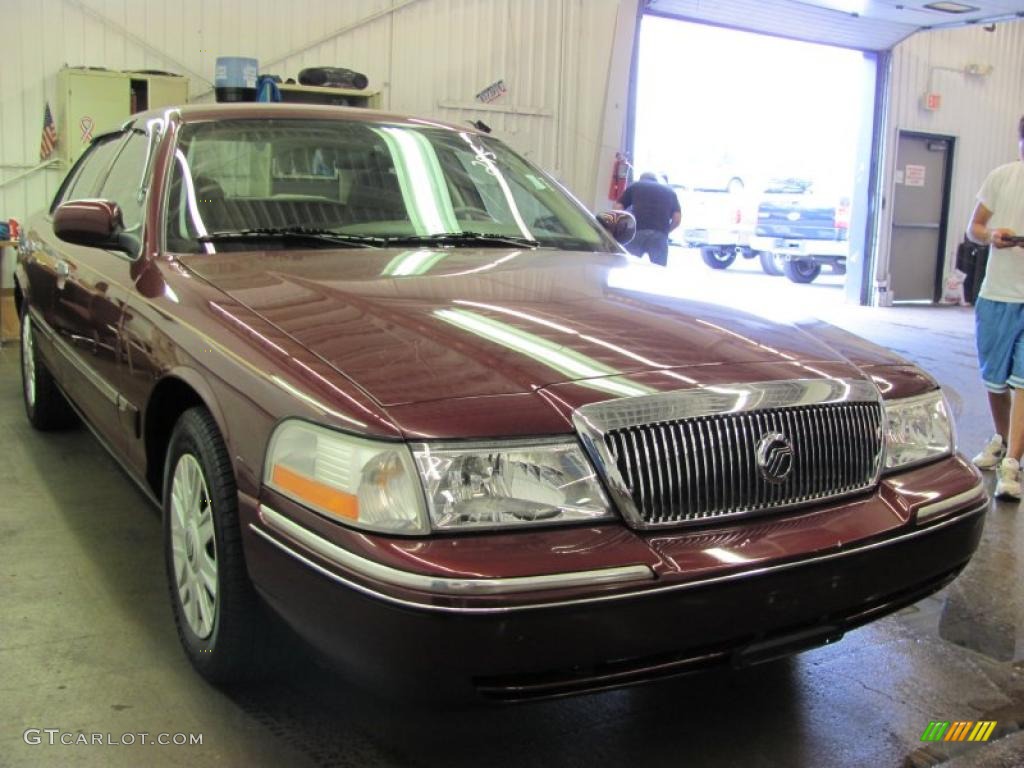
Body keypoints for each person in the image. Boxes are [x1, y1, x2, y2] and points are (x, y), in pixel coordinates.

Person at [967, 115, 1024, 500]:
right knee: (995, 379)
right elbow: (974, 228)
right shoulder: (1002, 177)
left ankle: (1013, 464)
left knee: (1022, 381)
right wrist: (992, 236)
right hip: (996, 295)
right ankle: (1002, 439)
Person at [614, 171, 681, 266]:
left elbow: (618, 207)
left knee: (630, 267)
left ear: (641, 179)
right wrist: (665, 231)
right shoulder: (670, 191)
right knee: (659, 271)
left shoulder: (635, 186)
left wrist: (623, 226)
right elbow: (677, 219)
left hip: (636, 231)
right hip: (660, 235)